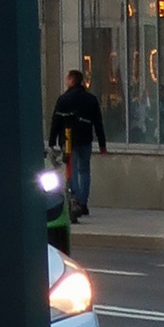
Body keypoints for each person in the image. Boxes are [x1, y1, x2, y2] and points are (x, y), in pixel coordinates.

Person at [50, 61, 108, 221]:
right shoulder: (91, 99)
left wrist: (52, 141)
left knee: (72, 170)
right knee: (84, 171)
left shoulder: (64, 99)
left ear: (72, 80)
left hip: (69, 140)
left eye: (68, 79)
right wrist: (102, 144)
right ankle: (83, 202)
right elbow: (98, 122)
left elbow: (56, 120)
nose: (66, 81)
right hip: (85, 140)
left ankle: (73, 199)